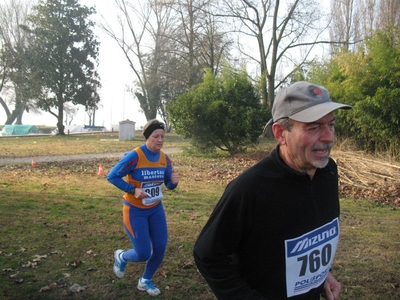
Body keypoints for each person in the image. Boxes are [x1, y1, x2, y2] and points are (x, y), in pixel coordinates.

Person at [193, 81, 352, 300]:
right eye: (314, 127)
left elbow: (311, 238)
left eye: (331, 125)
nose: (329, 137)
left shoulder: (328, 172)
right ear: (280, 133)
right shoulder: (250, 188)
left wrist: (322, 276)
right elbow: (207, 255)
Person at [107, 119, 179, 297]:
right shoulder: (135, 156)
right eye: (156, 136)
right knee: (143, 253)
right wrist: (133, 189)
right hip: (134, 211)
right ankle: (121, 256)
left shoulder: (164, 158)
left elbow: (168, 184)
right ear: (148, 137)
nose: (160, 140)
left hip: (155, 209)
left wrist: (173, 183)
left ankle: (145, 280)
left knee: (160, 248)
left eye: (162, 136)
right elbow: (112, 176)